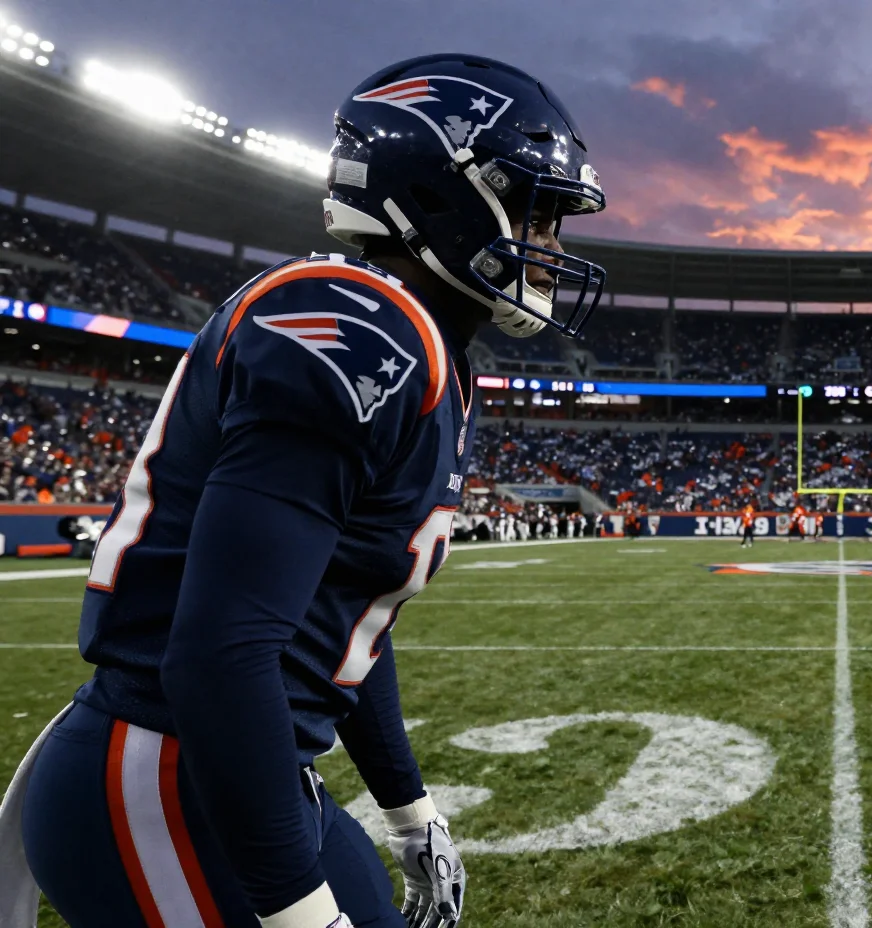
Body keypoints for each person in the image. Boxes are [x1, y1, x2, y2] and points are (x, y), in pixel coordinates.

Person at [9, 54, 608, 928]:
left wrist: (407, 807)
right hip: (159, 770)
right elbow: (219, 652)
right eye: (537, 213)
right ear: (440, 192)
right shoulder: (358, 329)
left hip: (232, 769)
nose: (552, 247)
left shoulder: (427, 351)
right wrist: (296, 912)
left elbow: (340, 616)